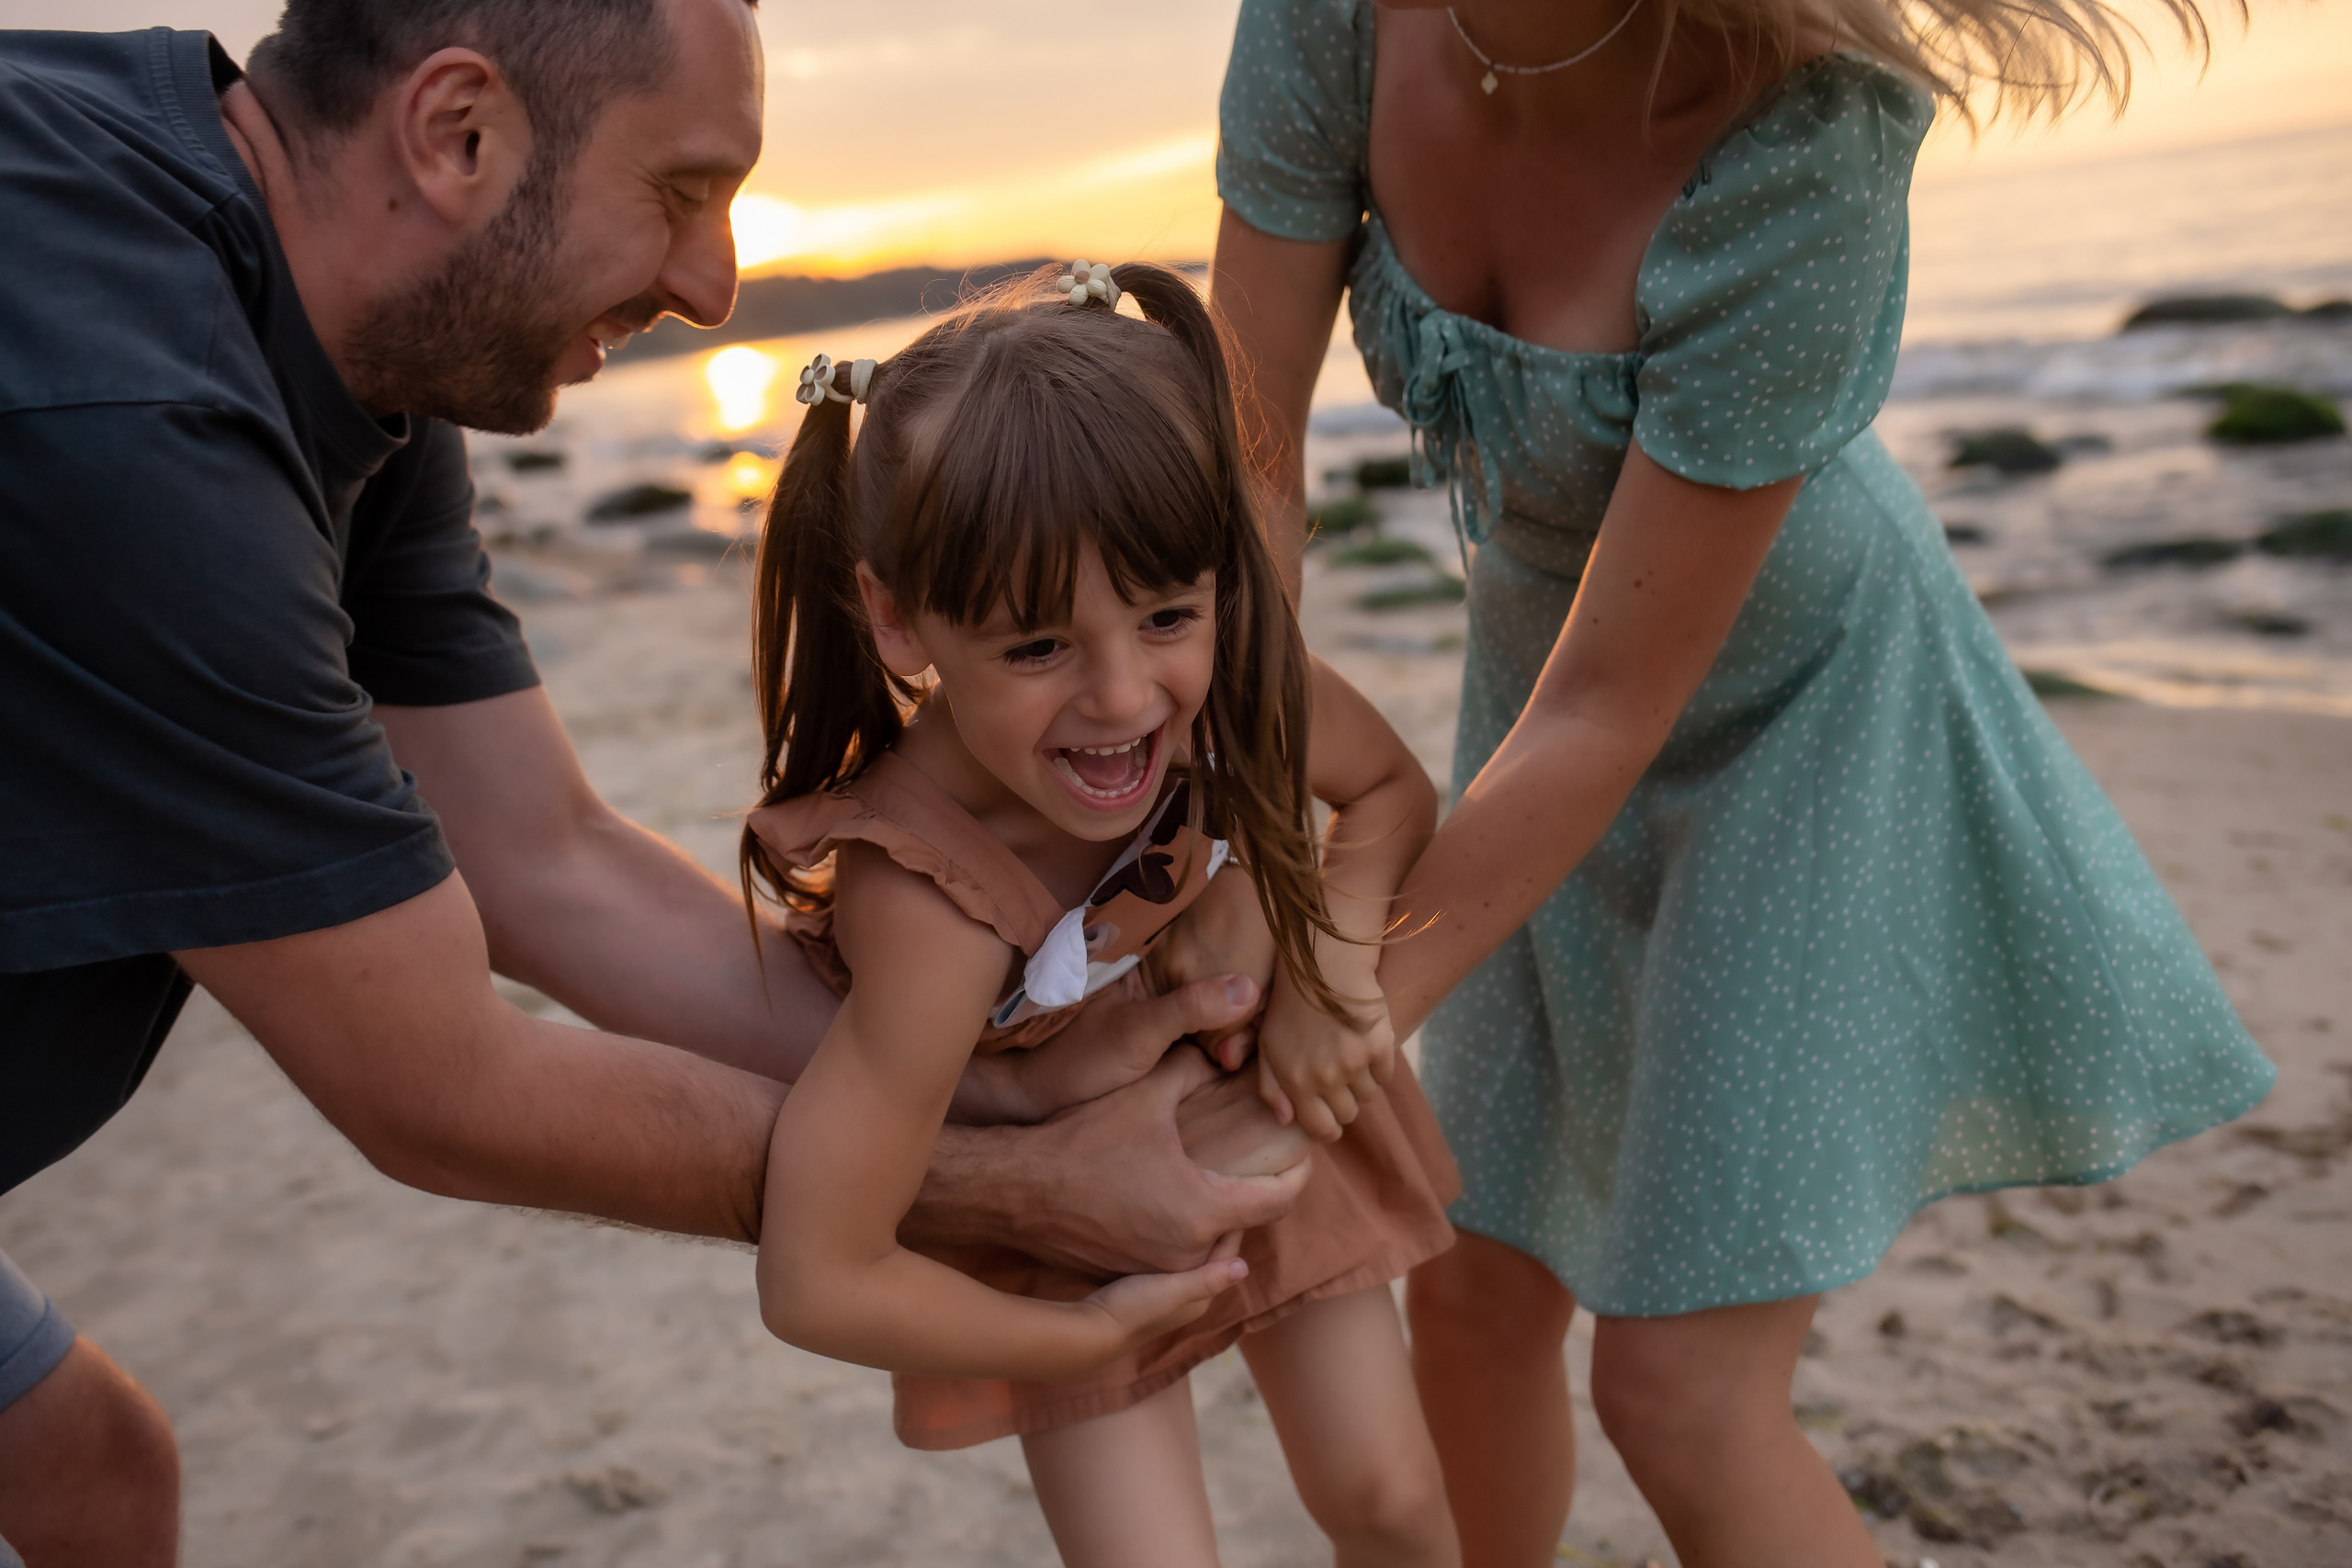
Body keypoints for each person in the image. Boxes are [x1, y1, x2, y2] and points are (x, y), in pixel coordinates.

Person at [0, 6, 1306, 1562]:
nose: (713, 284)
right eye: (682, 192)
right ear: (457, 132)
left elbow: (547, 857)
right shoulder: (133, 420)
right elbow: (437, 1089)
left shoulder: (342, 338)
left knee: (92, 1481)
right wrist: (1000, 1187)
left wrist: (984, 1077)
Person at [1209, 0, 2278, 1562]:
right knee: (1471, 1284)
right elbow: (1247, 474)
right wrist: (1250, 862)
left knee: (1680, 1390)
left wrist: (1347, 990)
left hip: (1807, 724)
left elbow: (1609, 707)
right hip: (1531, 698)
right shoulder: (1332, 22)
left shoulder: (1810, 127)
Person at [740, 263, 1464, 1568]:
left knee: (1394, 1502)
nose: (1125, 698)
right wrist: (1081, 1339)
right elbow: (817, 1273)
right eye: (1037, 647)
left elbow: (1391, 794)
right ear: (897, 619)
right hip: (1066, 1244)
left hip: (1251, 1109)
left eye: (1166, 615)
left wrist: (1332, 964)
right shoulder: (930, 901)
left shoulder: (1229, 676)